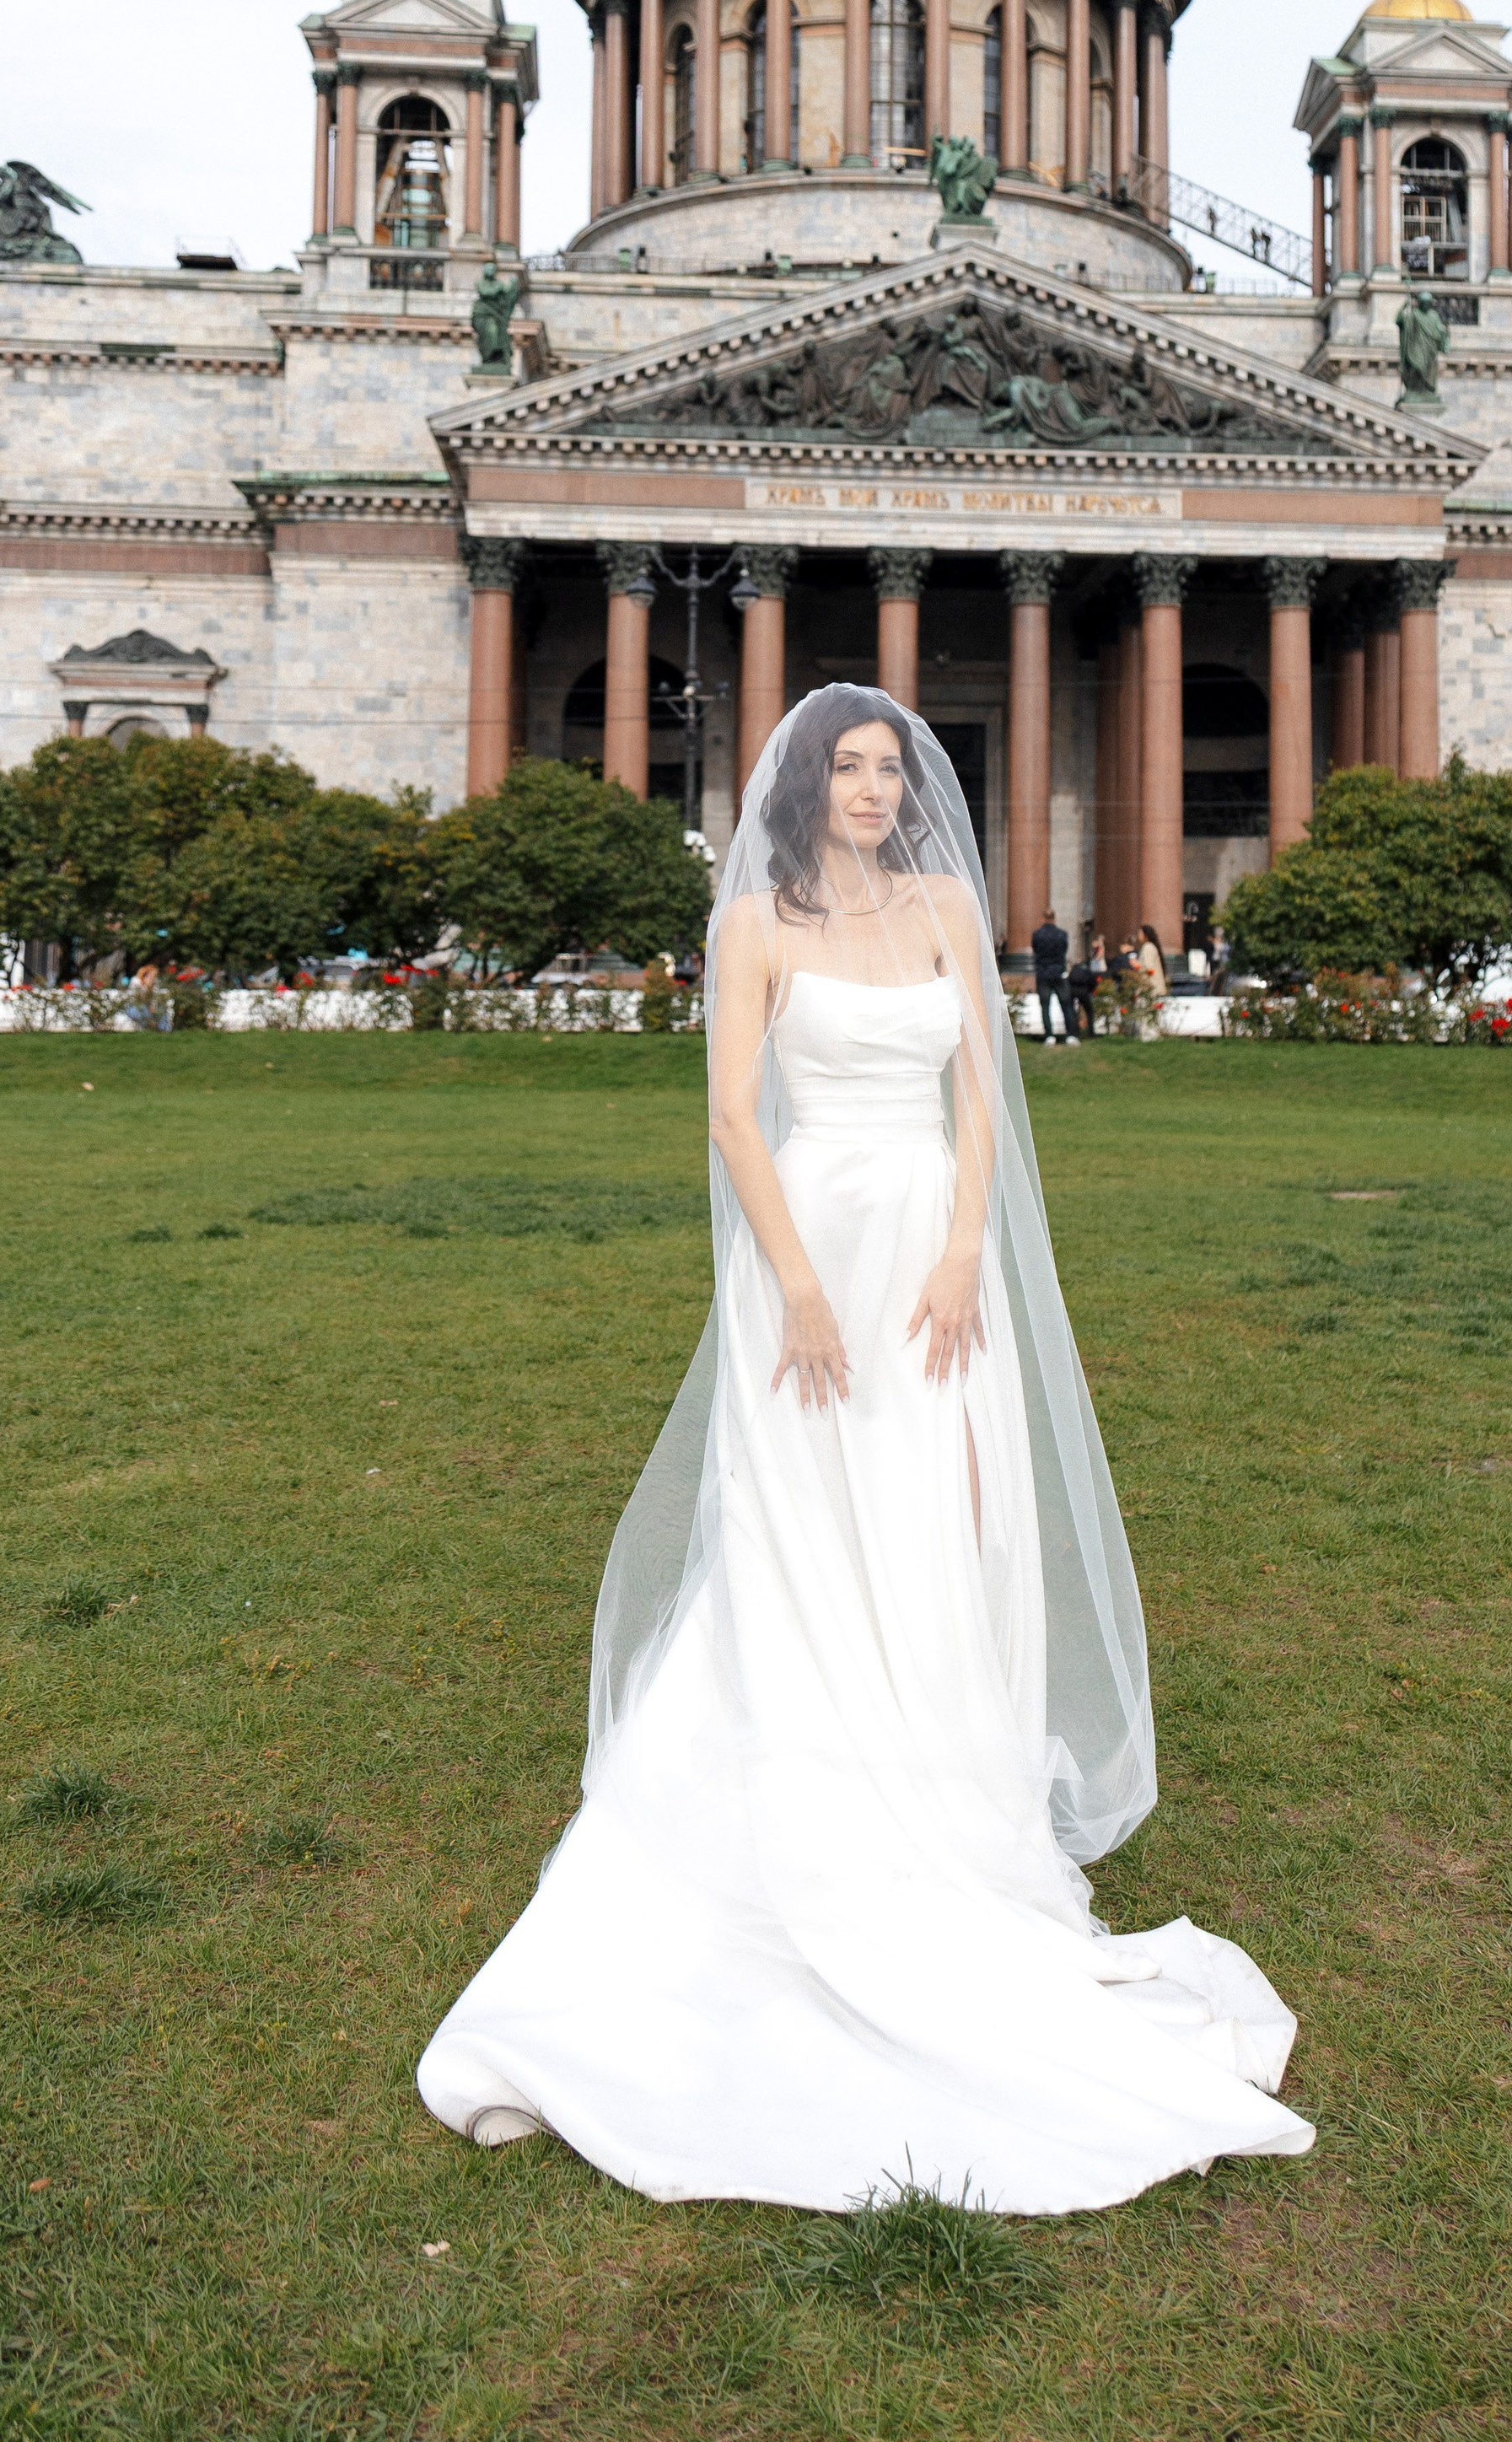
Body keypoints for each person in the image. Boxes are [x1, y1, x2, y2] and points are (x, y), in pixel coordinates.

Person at [417, 686, 1310, 2212]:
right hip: (812, 1249)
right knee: (800, 1529)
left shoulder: (952, 905)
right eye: (849, 767)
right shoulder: (755, 924)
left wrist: (965, 1254)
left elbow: (984, 1096)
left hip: (932, 1256)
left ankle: (939, 1792)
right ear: (802, 787)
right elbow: (731, 1121)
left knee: (933, 1521)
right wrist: (803, 1291)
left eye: (893, 769)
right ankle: (784, 1828)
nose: (875, 790)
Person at [1030, 905, 1073, 1046]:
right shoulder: (1062, 934)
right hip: (1059, 972)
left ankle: (1049, 1036)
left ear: (1043, 919)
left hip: (1043, 972)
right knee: (1066, 1003)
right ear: (1055, 919)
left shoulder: (1037, 935)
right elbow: (1064, 951)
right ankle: (1071, 1035)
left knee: (1045, 1004)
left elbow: (1036, 950)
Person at [1066, 931, 1100, 1040]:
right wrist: (1090, 991)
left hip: (1073, 991)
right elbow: (1093, 982)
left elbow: (1069, 980)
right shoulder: (1087, 970)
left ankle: (1073, 1033)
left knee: (1072, 1012)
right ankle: (1091, 1032)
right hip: (1084, 992)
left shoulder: (1074, 970)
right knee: (1089, 1011)